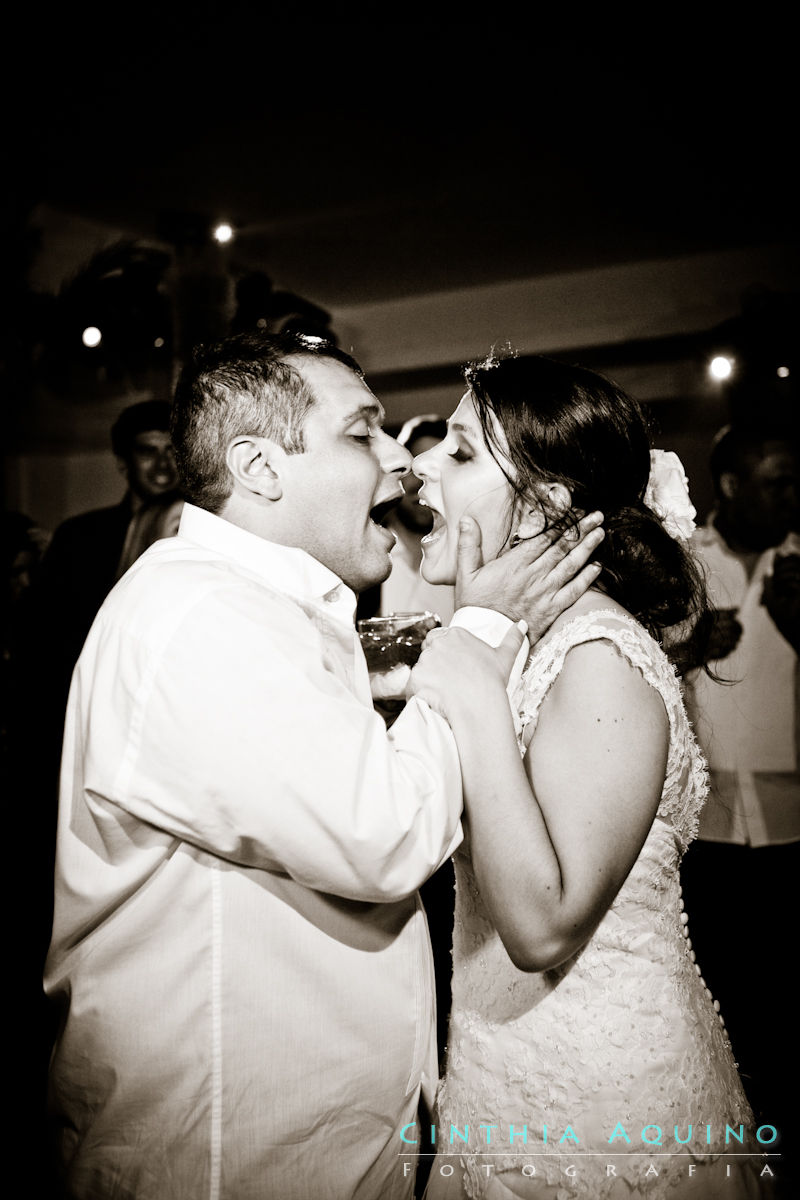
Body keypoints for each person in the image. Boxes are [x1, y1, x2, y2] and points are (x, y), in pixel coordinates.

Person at [43, 331, 605, 1200]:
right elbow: (383, 832)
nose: (403, 463)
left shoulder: (259, 607)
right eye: (363, 433)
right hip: (227, 1146)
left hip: (309, 1133)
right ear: (260, 468)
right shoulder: (201, 617)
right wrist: (479, 634)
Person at [406, 352, 766, 1199]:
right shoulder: (526, 646)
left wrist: (469, 685)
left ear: (542, 504)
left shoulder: (596, 657)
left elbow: (542, 929)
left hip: (603, 1108)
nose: (417, 462)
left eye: (459, 454)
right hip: (503, 1073)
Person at [680, 422, 799, 1172]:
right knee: (725, 981)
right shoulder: (682, 555)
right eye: (777, 479)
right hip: (707, 815)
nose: (792, 495)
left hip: (795, 811)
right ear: (729, 485)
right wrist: (687, 645)